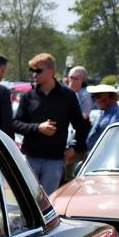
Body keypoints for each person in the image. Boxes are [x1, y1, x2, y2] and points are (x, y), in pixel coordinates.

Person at [13, 53, 89, 195]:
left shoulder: (68, 95)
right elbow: (16, 124)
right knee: (28, 201)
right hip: (31, 158)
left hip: (54, 161)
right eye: (32, 71)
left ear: (51, 71)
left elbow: (81, 126)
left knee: (48, 204)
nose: (34, 75)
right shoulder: (28, 96)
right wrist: (37, 128)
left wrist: (74, 147)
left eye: (38, 71)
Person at [84, 85, 119, 153]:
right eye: (94, 96)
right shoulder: (104, 112)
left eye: (98, 96)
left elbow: (111, 142)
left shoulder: (117, 116)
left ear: (109, 97)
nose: (95, 100)